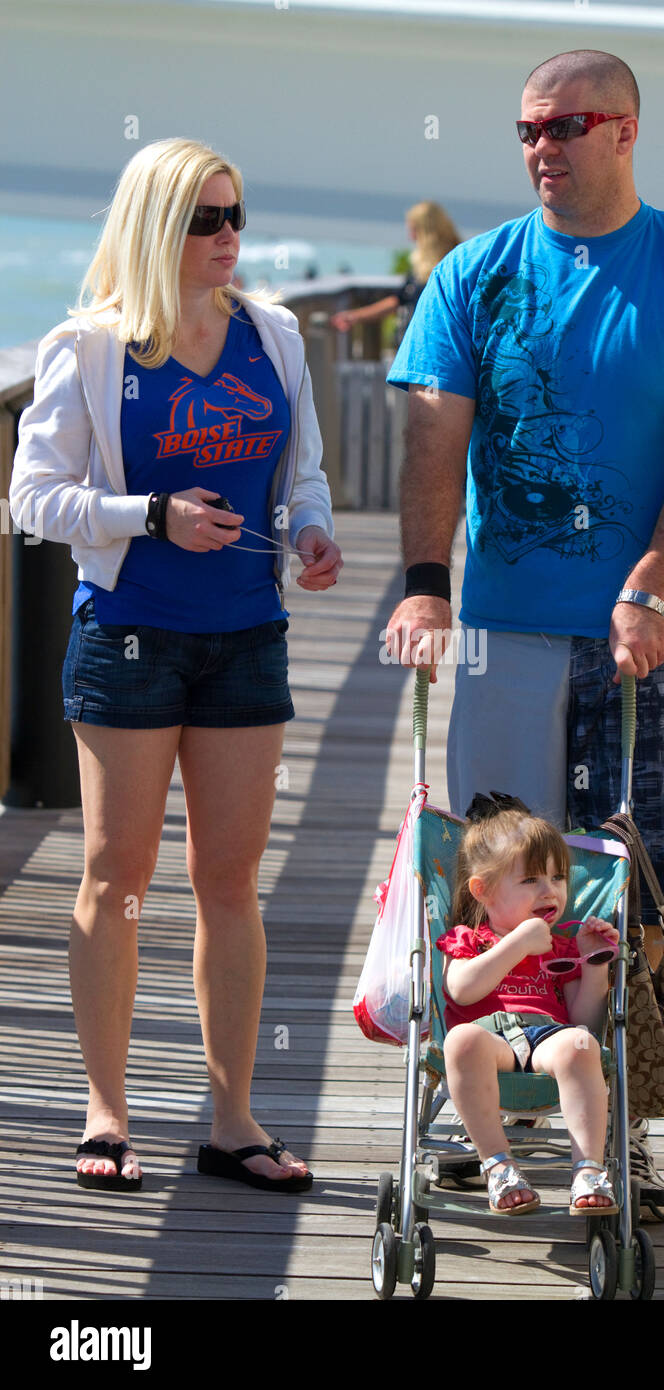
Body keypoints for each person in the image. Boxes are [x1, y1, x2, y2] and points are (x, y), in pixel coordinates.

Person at [384, 50, 664, 1222]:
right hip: (505, 630)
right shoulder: (473, 275)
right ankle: (480, 1115)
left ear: (626, 133)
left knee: (633, 892)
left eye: (565, 127)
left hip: (652, 635)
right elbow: (428, 441)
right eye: (524, 131)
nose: (541, 149)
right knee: (492, 887)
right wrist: (420, 584)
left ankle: (620, 1129)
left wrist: (648, 585)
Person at [10, 137, 342, 1194]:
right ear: (156, 227)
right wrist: (147, 514)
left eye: (235, 214)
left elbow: (307, 474)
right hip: (130, 636)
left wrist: (311, 533)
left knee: (229, 882)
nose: (229, 237)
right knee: (116, 880)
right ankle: (106, 1114)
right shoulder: (92, 349)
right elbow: (31, 499)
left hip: (246, 638)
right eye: (205, 219)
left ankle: (232, 1119)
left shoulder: (274, 335)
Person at [438, 797, 619, 1214]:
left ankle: (589, 1169)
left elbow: (583, 1021)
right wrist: (516, 944)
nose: (550, 890)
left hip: (546, 1037)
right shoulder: (471, 940)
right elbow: (461, 990)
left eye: (558, 877)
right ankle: (499, 1164)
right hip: (489, 1037)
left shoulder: (563, 946)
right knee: (461, 1040)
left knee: (581, 1047)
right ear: (483, 890)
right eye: (532, 880)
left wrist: (593, 965)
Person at [330, 200, 460, 345]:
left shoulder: (452, 263)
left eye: (413, 230)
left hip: (437, 343)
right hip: (420, 343)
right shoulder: (424, 265)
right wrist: (356, 316)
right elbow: (399, 299)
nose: (410, 236)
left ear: (425, 232)